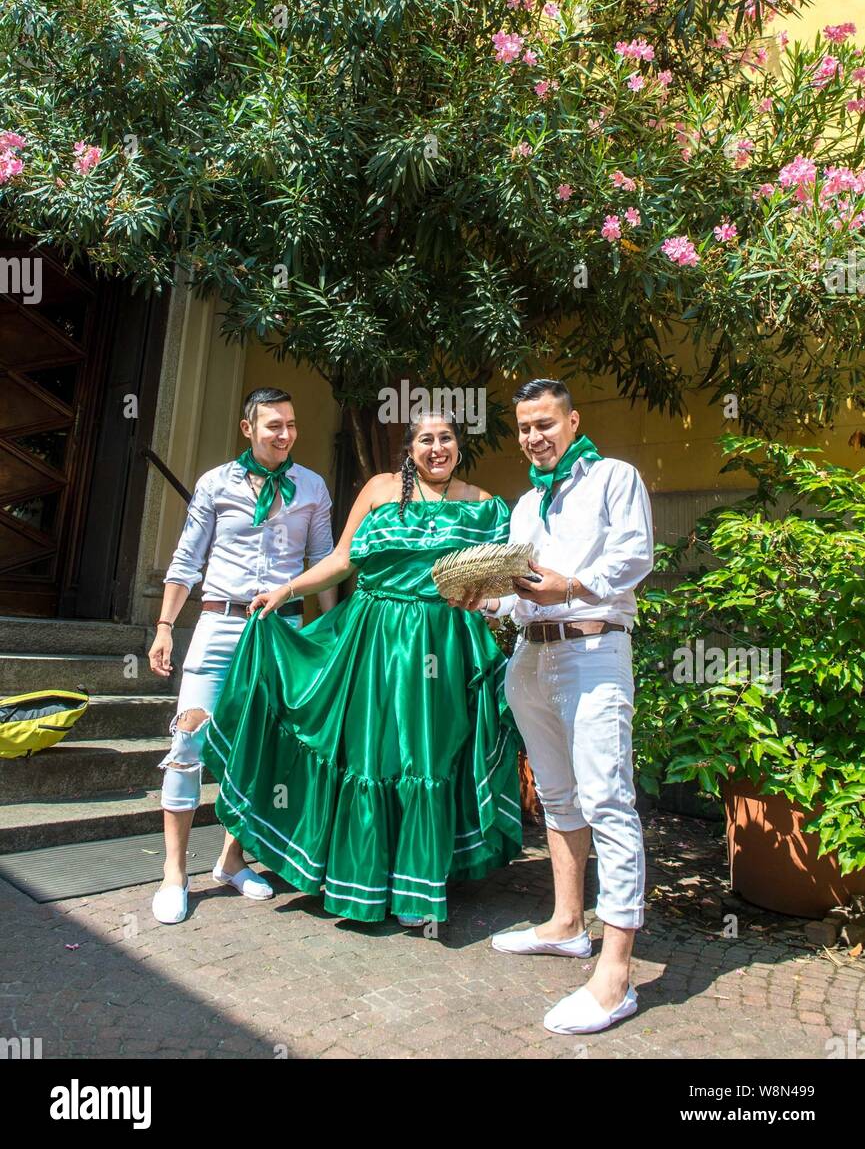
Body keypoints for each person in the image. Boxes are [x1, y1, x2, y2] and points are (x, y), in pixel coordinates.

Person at [200, 410, 522, 926]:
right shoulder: (379, 489)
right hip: (373, 638)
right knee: (369, 753)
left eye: (446, 438)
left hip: (444, 645)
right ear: (409, 447)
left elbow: (501, 583)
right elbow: (344, 559)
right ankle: (360, 877)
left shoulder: (486, 506)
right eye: (425, 439)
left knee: (426, 756)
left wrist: (488, 606)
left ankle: (417, 891)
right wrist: (288, 589)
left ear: (460, 445)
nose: (436, 448)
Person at [472, 379, 653, 1035]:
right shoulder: (525, 505)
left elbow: (635, 555)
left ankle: (614, 974)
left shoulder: (613, 477)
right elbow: (522, 595)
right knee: (555, 798)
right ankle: (566, 924)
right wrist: (485, 600)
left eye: (545, 423)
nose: (533, 436)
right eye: (523, 427)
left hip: (592, 651)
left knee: (607, 801)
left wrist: (571, 585)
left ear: (572, 421)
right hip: (529, 658)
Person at [148, 387, 336, 924]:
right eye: (273, 425)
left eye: (292, 425)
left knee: (263, 748)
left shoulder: (312, 486)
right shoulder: (215, 483)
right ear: (247, 428)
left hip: (280, 631)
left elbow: (322, 561)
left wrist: (325, 635)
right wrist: (164, 628)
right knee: (188, 740)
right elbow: (187, 558)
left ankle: (232, 860)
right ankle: (174, 873)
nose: (285, 434)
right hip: (220, 623)